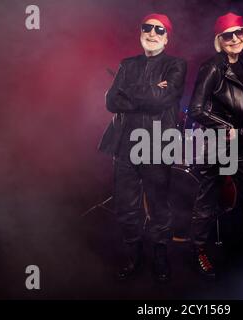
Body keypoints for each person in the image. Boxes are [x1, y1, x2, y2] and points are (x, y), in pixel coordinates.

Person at [98, 13, 187, 282]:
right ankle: (133, 255)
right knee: (126, 206)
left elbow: (162, 100)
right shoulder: (127, 63)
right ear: (140, 33)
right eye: (147, 28)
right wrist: (150, 91)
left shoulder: (176, 65)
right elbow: (112, 101)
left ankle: (160, 255)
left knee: (159, 206)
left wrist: (132, 91)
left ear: (167, 38)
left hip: (157, 145)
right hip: (124, 144)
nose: (151, 33)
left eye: (159, 30)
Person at [188, 12, 243, 279]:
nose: (234, 39)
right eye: (227, 35)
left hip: (239, 144)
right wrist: (226, 127)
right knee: (207, 200)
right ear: (219, 41)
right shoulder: (212, 67)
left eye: (238, 32)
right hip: (213, 143)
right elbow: (195, 109)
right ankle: (199, 251)